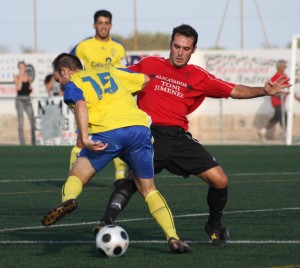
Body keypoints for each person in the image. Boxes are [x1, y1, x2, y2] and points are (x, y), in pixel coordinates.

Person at [96, 24, 291, 247]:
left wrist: (264, 91)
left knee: (220, 180)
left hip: (179, 138)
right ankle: (106, 221)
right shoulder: (149, 64)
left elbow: (233, 90)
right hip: (149, 134)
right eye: (176, 46)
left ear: (193, 49)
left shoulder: (199, 76)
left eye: (186, 48)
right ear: (170, 45)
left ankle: (213, 225)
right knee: (134, 179)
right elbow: (118, 79)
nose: (180, 52)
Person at [41, 53, 190, 254]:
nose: (60, 85)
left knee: (76, 174)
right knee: (149, 190)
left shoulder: (74, 83)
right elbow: (144, 79)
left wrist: (84, 138)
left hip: (109, 134)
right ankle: (173, 237)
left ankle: (69, 199)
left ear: (65, 71)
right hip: (139, 129)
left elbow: (81, 104)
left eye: (59, 80)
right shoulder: (109, 71)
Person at [69, 10, 128, 184]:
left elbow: (123, 73)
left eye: (106, 23)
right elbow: (71, 67)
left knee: (118, 136)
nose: (103, 26)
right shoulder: (83, 46)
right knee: (82, 139)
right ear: (94, 25)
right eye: (100, 23)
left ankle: (119, 176)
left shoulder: (119, 48)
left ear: (110, 25)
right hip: (90, 101)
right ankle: (73, 177)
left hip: (113, 101)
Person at [258, 60, 290, 141]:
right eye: (283, 66)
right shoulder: (275, 77)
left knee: (277, 117)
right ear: (279, 67)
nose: (284, 68)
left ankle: (263, 131)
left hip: (283, 101)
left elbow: (287, 86)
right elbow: (271, 90)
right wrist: (279, 95)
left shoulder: (285, 76)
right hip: (277, 101)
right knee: (283, 116)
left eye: (285, 66)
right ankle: (286, 134)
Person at [13, 61, 35, 145]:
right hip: (20, 100)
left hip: (27, 99)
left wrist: (30, 87)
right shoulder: (17, 77)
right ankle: (22, 143)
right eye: (20, 67)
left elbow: (30, 89)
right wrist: (21, 79)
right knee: (21, 121)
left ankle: (33, 141)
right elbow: (18, 88)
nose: (22, 69)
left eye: (23, 67)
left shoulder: (28, 77)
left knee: (32, 120)